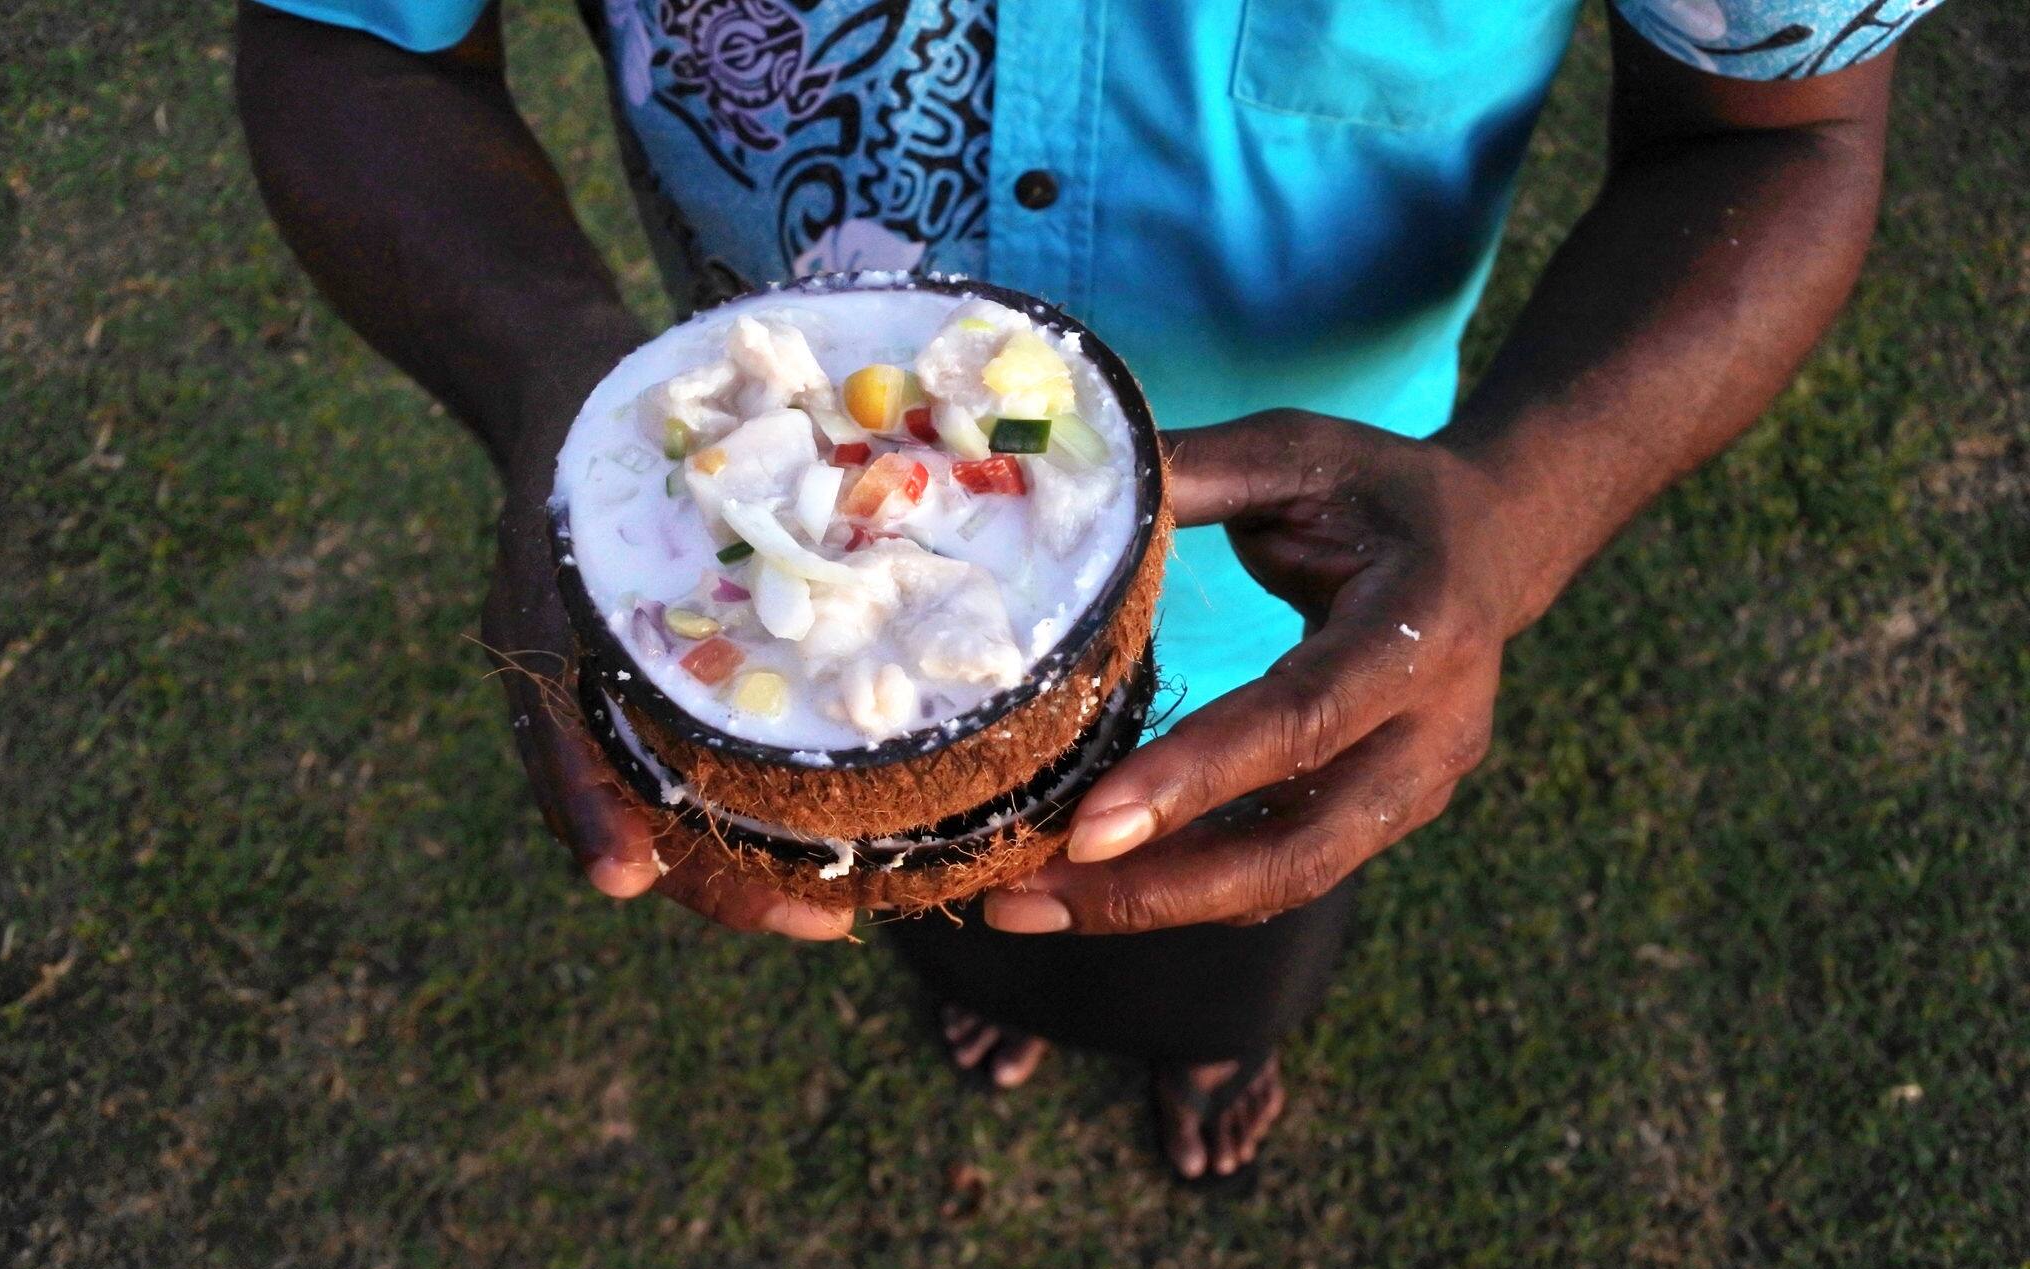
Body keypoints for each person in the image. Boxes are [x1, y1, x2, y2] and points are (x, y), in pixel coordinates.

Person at [235, 0, 1942, 1182]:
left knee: (1228, 927)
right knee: (932, 905)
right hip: (775, 641)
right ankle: (1002, 993)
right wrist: (559, 389)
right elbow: (345, 35)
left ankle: (1216, 1043)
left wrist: (1517, 502)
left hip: (1279, 635)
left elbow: (1778, 134)